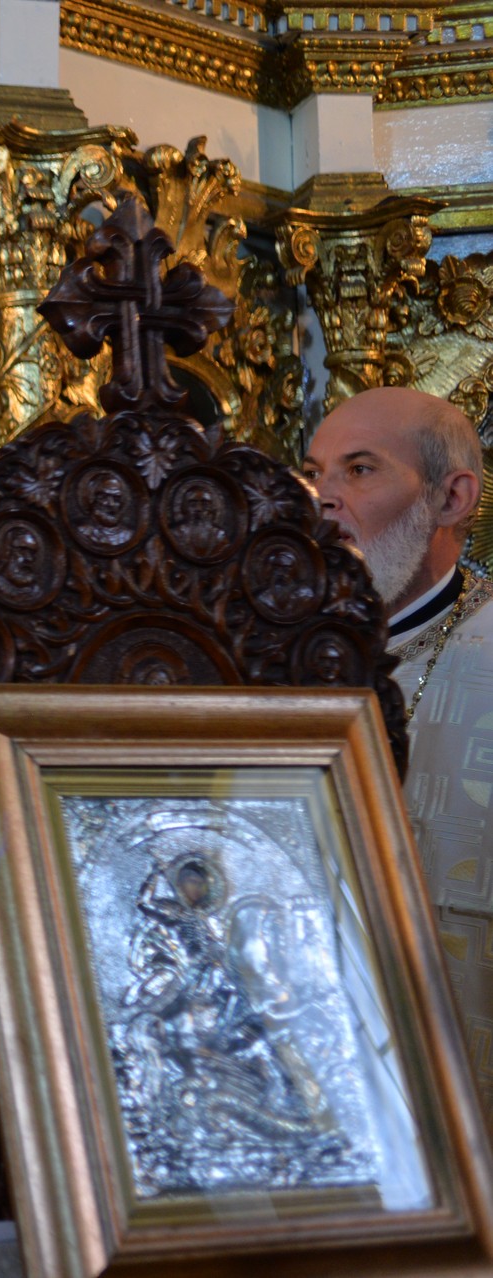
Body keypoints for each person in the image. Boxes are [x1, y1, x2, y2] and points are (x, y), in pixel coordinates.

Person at [302, 385, 493, 1120]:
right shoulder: (266, 654)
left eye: (359, 469)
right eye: (315, 472)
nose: (323, 498)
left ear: (451, 498)